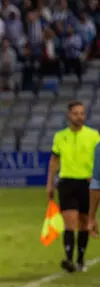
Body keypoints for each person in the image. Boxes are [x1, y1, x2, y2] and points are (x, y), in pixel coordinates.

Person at [47, 101, 100, 273]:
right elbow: (54, 160)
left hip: (87, 183)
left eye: (82, 113)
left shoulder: (94, 136)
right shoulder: (60, 136)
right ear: (69, 115)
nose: (80, 116)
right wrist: (50, 183)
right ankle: (69, 260)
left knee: (84, 223)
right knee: (69, 222)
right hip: (67, 182)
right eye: (76, 113)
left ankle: (80, 260)